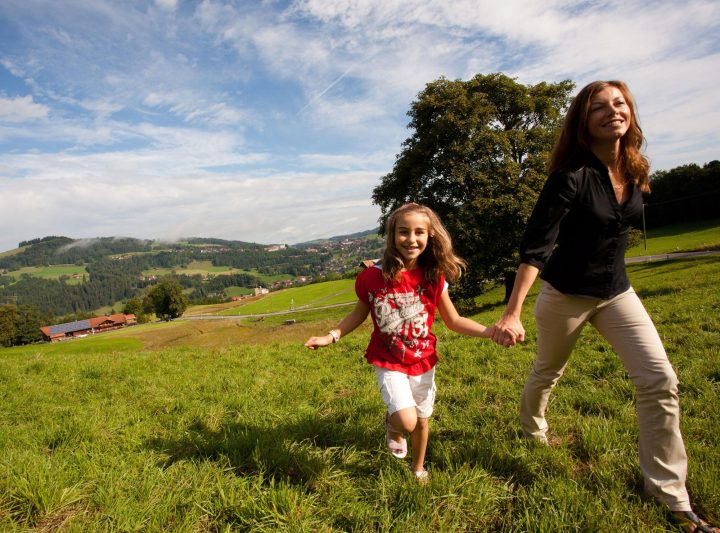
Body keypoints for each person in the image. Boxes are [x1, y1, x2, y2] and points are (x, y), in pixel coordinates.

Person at [493, 80, 718, 532]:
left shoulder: (634, 168)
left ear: (629, 112)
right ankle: (532, 430)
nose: (612, 111)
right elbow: (536, 248)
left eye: (619, 103)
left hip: (617, 292)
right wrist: (513, 311)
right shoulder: (569, 177)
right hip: (565, 296)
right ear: (583, 121)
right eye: (599, 107)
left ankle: (671, 495)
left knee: (660, 380)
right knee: (548, 371)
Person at [305, 202, 496, 482]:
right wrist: (331, 336)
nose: (411, 239)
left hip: (424, 359)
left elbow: (454, 320)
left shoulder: (434, 276)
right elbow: (358, 314)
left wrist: (490, 331)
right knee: (406, 421)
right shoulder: (372, 277)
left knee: (421, 419)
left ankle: (418, 469)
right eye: (403, 231)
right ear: (393, 235)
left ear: (431, 236)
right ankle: (393, 424)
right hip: (389, 360)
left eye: (419, 232)